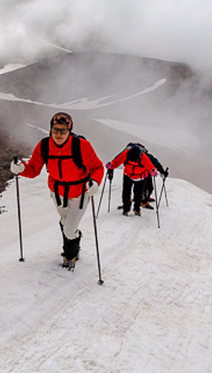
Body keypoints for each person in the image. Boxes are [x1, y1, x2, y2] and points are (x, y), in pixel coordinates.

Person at [10, 112, 104, 269]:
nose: (59, 134)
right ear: (50, 130)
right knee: (64, 221)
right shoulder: (44, 146)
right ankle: (72, 242)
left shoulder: (81, 146)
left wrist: (95, 182)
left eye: (63, 130)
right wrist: (20, 168)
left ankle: (70, 255)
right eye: (55, 130)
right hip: (57, 192)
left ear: (69, 130)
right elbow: (33, 169)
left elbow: (97, 167)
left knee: (69, 229)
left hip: (79, 193)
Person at [105, 142, 158, 216]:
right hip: (128, 175)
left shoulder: (143, 157)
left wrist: (153, 172)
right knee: (126, 193)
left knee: (138, 194)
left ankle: (137, 209)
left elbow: (150, 167)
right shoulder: (126, 153)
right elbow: (117, 161)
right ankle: (126, 209)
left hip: (140, 177)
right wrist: (111, 165)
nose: (133, 161)